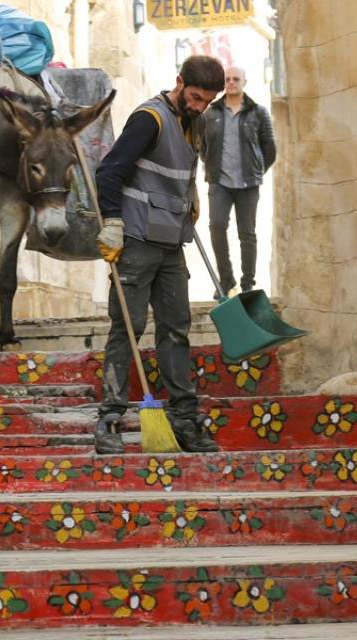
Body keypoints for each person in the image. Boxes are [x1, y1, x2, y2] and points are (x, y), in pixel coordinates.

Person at [90, 55, 225, 455]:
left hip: (171, 244)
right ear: (179, 82)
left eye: (207, 102)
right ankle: (110, 418)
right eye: (196, 97)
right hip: (135, 240)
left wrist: (191, 199)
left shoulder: (195, 122)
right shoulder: (150, 118)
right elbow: (109, 171)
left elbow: (176, 171)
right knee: (125, 330)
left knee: (176, 330)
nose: (200, 107)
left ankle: (184, 419)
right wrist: (112, 222)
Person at [199, 66, 277, 296]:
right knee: (217, 227)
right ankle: (225, 279)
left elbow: (270, 149)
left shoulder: (258, 112)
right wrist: (213, 166)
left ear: (244, 81)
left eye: (236, 79)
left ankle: (247, 282)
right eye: (227, 79)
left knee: (247, 232)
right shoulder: (210, 113)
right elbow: (202, 147)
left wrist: (256, 171)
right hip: (219, 182)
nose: (231, 82)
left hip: (248, 183)